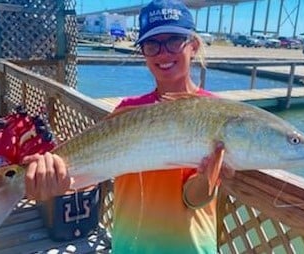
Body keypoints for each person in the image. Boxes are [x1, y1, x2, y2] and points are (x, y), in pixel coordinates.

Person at [23, 0, 234, 253]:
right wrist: (53, 176)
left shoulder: (215, 112)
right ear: (143, 51)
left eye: (174, 40)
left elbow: (194, 198)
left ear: (194, 45)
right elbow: (93, 170)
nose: (163, 53)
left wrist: (207, 177)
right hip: (127, 246)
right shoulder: (127, 110)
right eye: (152, 44)